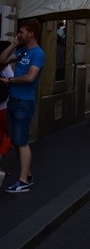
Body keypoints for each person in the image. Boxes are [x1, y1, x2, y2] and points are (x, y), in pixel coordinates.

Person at [0, 19, 46, 193]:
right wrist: (13, 44)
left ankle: (23, 181)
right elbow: (2, 59)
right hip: (14, 100)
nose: (19, 34)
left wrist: (10, 80)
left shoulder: (37, 53)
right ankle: (27, 175)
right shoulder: (21, 51)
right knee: (17, 142)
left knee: (22, 142)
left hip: (24, 102)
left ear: (31, 33)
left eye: (22, 32)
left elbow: (30, 77)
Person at [0, 39, 14, 188]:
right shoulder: (5, 66)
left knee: (0, 135)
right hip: (4, 106)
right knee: (12, 134)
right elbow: (12, 80)